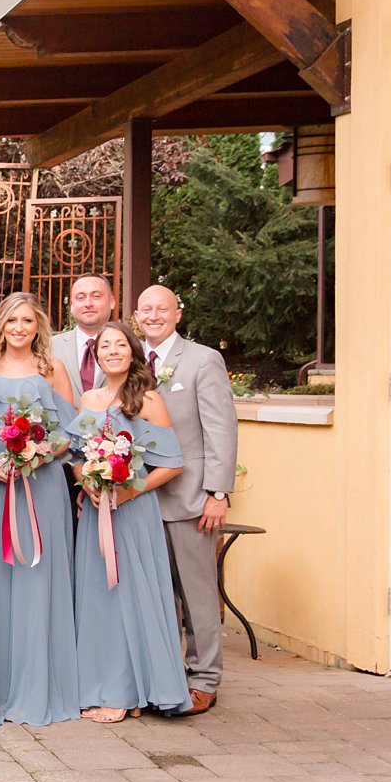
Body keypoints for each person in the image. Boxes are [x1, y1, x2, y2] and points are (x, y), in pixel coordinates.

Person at [67, 322, 191, 723]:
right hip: (96, 512)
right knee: (98, 599)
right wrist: (87, 481)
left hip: (132, 512)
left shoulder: (147, 400)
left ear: (133, 352)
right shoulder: (89, 398)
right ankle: (99, 684)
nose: (113, 351)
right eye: (105, 346)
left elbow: (172, 463)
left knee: (128, 598)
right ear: (97, 354)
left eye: (121, 344)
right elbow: (74, 455)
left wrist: (128, 491)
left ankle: (126, 691)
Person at [0, 292, 79, 726]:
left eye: (27, 321)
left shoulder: (51, 369)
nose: (19, 327)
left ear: (39, 326)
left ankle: (39, 686)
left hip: (41, 484)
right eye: (12, 320)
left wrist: (37, 455)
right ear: (1, 325)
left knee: (38, 579)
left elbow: (72, 430)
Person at [135, 285, 238, 717]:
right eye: (146, 309)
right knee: (155, 595)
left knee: (195, 593)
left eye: (162, 309)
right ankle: (161, 676)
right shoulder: (127, 357)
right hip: (137, 498)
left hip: (190, 495)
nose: (154, 316)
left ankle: (205, 680)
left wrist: (217, 492)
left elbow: (221, 428)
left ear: (177, 314)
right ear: (136, 315)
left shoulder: (202, 359)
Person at [51, 273, 116, 403]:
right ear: (71, 305)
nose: (88, 303)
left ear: (112, 302)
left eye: (96, 297)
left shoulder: (133, 348)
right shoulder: (49, 347)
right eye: (80, 298)